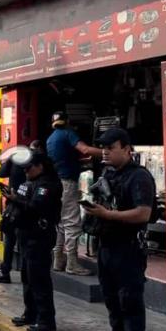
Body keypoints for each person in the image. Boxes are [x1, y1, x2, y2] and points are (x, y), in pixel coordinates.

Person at [84, 127, 155, 331]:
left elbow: (143, 213)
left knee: (130, 301)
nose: (105, 153)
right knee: (112, 299)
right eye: (103, 148)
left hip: (128, 249)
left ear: (126, 149)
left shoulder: (139, 177)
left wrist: (108, 215)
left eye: (110, 148)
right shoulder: (110, 174)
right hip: (107, 246)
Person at [1, 152, 62, 331]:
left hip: (40, 236)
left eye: (29, 168)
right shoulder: (30, 183)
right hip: (26, 235)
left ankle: (46, 319)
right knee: (27, 277)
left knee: (39, 278)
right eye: (24, 168)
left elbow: (36, 208)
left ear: (40, 166)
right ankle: (31, 313)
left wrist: (15, 200)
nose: (26, 172)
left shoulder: (48, 184)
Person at [46, 111, 102, 275]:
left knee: (62, 222)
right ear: (68, 121)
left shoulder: (51, 138)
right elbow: (84, 149)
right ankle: (72, 263)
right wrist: (106, 152)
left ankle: (58, 259)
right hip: (68, 183)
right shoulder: (67, 133)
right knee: (72, 222)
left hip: (58, 183)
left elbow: (65, 158)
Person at [0, 140, 44, 283]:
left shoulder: (17, 160)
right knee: (22, 242)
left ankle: (6, 273)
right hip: (25, 206)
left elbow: (1, 172)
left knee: (10, 241)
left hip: (16, 206)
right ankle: (24, 274)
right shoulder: (37, 164)